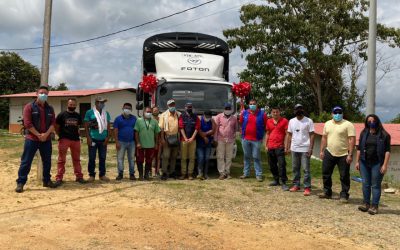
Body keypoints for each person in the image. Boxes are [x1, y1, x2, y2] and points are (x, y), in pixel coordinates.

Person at [15, 85, 58, 193]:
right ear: (36, 93)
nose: (43, 95)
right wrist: (39, 135)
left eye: (46, 93)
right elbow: (27, 123)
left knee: (47, 161)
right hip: (32, 139)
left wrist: (46, 134)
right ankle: (21, 183)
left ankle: (47, 181)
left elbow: (53, 124)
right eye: (41, 93)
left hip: (46, 140)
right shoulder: (29, 107)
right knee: (26, 161)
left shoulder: (50, 108)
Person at [319, 106, 356, 202]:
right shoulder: (327, 124)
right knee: (326, 173)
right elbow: (324, 138)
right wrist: (322, 151)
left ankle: (344, 195)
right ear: (332, 114)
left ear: (342, 113)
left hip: (344, 154)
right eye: (335, 112)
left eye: (339, 112)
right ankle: (327, 192)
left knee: (344, 176)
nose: (337, 114)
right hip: (329, 152)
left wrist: (350, 154)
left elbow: (352, 140)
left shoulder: (348, 124)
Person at [356, 114, 391, 215]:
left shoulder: (384, 135)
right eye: (369, 121)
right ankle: (366, 204)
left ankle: (374, 206)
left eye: (373, 120)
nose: (371, 122)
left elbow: (387, 151)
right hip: (364, 162)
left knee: (375, 185)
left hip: (377, 163)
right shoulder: (364, 133)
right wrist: (357, 161)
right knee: (365, 184)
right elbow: (359, 149)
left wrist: (385, 165)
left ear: (377, 121)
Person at [54, 98, 86, 186]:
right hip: (64, 139)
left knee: (76, 159)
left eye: (73, 105)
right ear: (67, 104)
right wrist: (59, 135)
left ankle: (79, 177)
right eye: (70, 104)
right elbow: (56, 126)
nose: (72, 106)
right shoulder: (61, 115)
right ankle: (59, 178)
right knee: (61, 160)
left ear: (76, 105)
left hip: (75, 140)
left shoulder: (78, 115)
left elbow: (78, 127)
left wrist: (78, 136)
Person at [286, 104, 314, 196]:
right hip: (294, 148)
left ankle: (307, 187)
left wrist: (311, 148)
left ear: (303, 110)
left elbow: (312, 135)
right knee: (295, 168)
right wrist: (287, 147)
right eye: (296, 109)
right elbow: (289, 134)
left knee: (306, 169)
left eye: (300, 109)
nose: (298, 111)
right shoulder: (291, 121)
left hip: (305, 148)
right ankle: (296, 185)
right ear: (294, 111)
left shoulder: (309, 121)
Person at [84, 96, 112, 182]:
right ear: (96, 103)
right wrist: (88, 138)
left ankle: (102, 174)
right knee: (92, 158)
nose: (102, 104)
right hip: (93, 139)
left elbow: (108, 126)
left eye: (103, 102)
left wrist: (108, 137)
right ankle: (91, 175)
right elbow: (86, 126)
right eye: (100, 102)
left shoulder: (106, 113)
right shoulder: (89, 112)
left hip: (103, 139)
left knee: (102, 157)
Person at [239, 99, 267, 182]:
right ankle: (246, 173)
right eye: (250, 104)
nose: (252, 105)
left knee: (256, 157)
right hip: (245, 139)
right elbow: (241, 122)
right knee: (246, 157)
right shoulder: (244, 113)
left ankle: (258, 174)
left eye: (254, 104)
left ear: (257, 104)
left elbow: (265, 125)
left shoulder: (262, 114)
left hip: (257, 139)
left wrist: (263, 136)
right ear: (248, 105)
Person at [134, 106, 161, 180]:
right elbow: (136, 132)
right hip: (141, 145)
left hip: (151, 145)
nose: (148, 113)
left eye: (150, 112)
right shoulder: (138, 120)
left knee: (149, 160)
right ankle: (140, 175)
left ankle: (146, 175)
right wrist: (138, 143)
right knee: (139, 160)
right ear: (143, 112)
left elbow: (157, 133)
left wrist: (156, 144)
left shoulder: (154, 121)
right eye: (147, 111)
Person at [266, 106, 289, 189]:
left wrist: (286, 146)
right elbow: (268, 133)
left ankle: (283, 182)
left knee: (282, 164)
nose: (275, 113)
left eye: (277, 112)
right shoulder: (268, 121)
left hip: (280, 146)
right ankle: (276, 180)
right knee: (272, 165)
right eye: (273, 112)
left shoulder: (284, 121)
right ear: (271, 113)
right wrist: (266, 145)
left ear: (280, 112)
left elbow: (287, 134)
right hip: (270, 146)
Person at [113, 103, 137, 181]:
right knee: (120, 158)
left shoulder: (134, 118)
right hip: (121, 142)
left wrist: (137, 142)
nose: (127, 110)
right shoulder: (118, 119)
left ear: (131, 110)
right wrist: (116, 142)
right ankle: (120, 174)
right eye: (126, 108)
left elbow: (136, 131)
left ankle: (132, 174)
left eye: (129, 108)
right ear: (123, 108)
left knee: (132, 159)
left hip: (132, 142)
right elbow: (115, 131)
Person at [214, 103, 238, 180]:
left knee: (229, 157)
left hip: (230, 140)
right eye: (226, 108)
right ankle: (221, 173)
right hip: (220, 139)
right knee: (220, 156)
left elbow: (235, 129)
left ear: (231, 109)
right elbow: (216, 129)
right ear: (224, 109)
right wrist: (215, 140)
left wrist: (234, 139)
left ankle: (227, 172)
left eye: (229, 108)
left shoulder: (234, 118)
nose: (227, 110)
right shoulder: (219, 117)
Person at [159, 99, 180, 180]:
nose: (172, 106)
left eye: (173, 105)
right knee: (166, 156)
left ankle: (172, 172)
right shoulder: (163, 115)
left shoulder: (178, 114)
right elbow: (161, 128)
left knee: (174, 156)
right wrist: (162, 139)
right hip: (167, 138)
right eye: (170, 105)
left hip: (176, 138)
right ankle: (164, 172)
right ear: (168, 106)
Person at [179, 102, 200, 180]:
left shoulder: (195, 117)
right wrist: (185, 138)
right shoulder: (182, 116)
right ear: (185, 108)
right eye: (188, 107)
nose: (189, 108)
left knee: (192, 158)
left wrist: (191, 138)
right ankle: (183, 174)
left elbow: (197, 128)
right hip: (183, 140)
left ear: (192, 108)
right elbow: (181, 127)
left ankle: (190, 174)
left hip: (193, 140)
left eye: (190, 107)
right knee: (183, 158)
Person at [196, 110, 216, 180]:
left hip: (208, 143)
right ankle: (200, 173)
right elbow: (198, 130)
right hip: (200, 143)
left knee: (207, 158)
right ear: (203, 115)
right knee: (201, 158)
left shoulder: (212, 121)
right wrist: (204, 137)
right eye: (206, 116)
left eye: (209, 116)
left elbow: (213, 130)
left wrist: (206, 134)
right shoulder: (199, 119)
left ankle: (205, 174)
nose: (207, 118)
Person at [152, 106, 161, 177]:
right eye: (154, 110)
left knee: (158, 156)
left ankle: (157, 171)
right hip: (150, 140)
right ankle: (150, 171)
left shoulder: (161, 119)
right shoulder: (150, 120)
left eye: (157, 110)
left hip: (159, 140)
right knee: (151, 156)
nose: (156, 111)